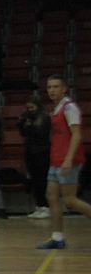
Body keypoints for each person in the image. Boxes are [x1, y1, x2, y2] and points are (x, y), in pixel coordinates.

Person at [37, 75, 91, 248]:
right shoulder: (55, 109)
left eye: (55, 86)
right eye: (49, 87)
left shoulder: (69, 108)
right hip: (56, 160)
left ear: (64, 89)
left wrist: (68, 159)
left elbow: (76, 134)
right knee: (51, 196)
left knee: (70, 200)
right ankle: (58, 237)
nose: (51, 90)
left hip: (69, 160)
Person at [18, 95, 52, 219]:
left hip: (42, 153)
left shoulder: (45, 118)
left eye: (32, 107)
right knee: (34, 180)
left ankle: (45, 207)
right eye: (28, 108)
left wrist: (30, 125)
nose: (30, 110)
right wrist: (22, 124)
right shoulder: (29, 118)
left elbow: (42, 134)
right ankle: (39, 205)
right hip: (31, 152)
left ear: (38, 106)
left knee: (42, 180)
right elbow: (24, 134)